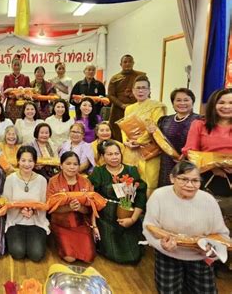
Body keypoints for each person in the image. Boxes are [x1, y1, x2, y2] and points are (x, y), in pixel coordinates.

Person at [143, 161, 229, 294]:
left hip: (200, 258)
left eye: (195, 180)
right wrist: (160, 244)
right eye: (183, 179)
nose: (189, 185)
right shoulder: (159, 196)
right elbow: (148, 227)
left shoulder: (208, 200)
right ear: (172, 178)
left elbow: (222, 234)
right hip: (168, 255)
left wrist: (212, 250)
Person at [89, 140, 147, 264]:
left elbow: (140, 197)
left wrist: (132, 219)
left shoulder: (131, 171)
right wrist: (94, 225)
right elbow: (92, 199)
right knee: (113, 252)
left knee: (133, 256)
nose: (114, 157)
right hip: (105, 218)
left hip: (127, 215)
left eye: (117, 153)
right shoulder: (98, 172)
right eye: (109, 154)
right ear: (103, 157)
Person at [47, 151, 97, 263]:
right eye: (68, 163)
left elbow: (91, 207)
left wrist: (80, 208)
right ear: (61, 165)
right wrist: (69, 207)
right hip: (61, 223)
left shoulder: (85, 181)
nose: (72, 167)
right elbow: (50, 207)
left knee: (88, 258)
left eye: (75, 164)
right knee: (70, 258)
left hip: (81, 224)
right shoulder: (53, 181)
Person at [3, 146, 50, 262]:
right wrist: (20, 210)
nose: (26, 164)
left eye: (30, 161)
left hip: (36, 221)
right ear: (18, 161)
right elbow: (6, 203)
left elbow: (44, 204)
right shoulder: (10, 179)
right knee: (18, 253)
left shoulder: (42, 180)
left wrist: (33, 211)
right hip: (15, 221)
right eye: (23, 160)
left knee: (36, 255)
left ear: (35, 162)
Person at [183, 88, 232, 197]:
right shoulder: (199, 124)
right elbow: (190, 151)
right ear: (213, 105)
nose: (227, 107)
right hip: (207, 176)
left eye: (231, 103)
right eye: (221, 103)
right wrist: (212, 166)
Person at [122, 76, 166, 195]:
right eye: (137, 88)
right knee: (130, 179)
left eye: (143, 88)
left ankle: (149, 210)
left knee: (150, 181)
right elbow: (124, 126)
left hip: (150, 149)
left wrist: (140, 140)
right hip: (132, 150)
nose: (140, 91)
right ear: (133, 90)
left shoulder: (157, 107)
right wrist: (126, 141)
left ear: (149, 90)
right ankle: (130, 209)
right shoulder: (129, 109)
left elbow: (155, 126)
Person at [154, 88, 200, 187]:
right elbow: (157, 142)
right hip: (166, 165)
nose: (182, 103)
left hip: (189, 166)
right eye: (178, 100)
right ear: (173, 103)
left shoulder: (200, 120)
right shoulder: (165, 120)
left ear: (192, 102)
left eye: (186, 100)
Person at [107, 55, 146, 141]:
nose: (127, 64)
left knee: (136, 133)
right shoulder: (115, 78)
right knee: (117, 133)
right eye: (125, 62)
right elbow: (110, 95)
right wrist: (122, 105)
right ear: (121, 64)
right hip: (118, 110)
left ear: (133, 63)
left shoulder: (140, 76)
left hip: (136, 109)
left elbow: (145, 91)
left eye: (130, 62)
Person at [3, 55, 31, 123]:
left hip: (22, 103)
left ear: (21, 66)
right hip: (10, 104)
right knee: (10, 123)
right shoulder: (7, 77)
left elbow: (28, 91)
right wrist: (14, 94)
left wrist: (23, 94)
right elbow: (5, 91)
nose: (16, 67)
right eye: (15, 65)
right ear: (11, 66)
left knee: (22, 122)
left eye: (18, 65)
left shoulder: (25, 78)